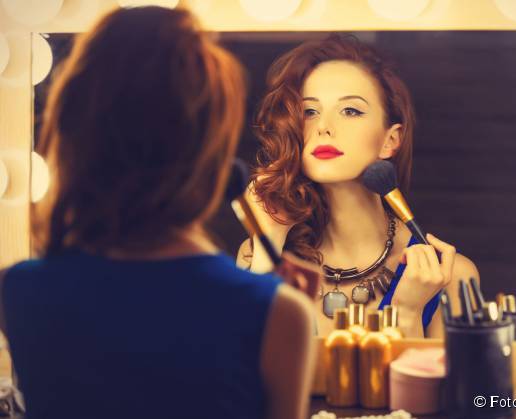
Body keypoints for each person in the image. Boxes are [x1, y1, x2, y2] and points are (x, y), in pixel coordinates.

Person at [0, 6, 316, 419]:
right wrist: (286, 318)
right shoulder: (279, 314)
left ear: (72, 134)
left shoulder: (16, 291)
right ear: (213, 155)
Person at [237, 35, 480, 337]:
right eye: (309, 111)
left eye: (350, 111)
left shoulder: (451, 276)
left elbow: (451, 374)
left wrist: (407, 313)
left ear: (390, 140)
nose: (324, 127)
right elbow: (240, 362)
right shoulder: (257, 254)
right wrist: (269, 240)